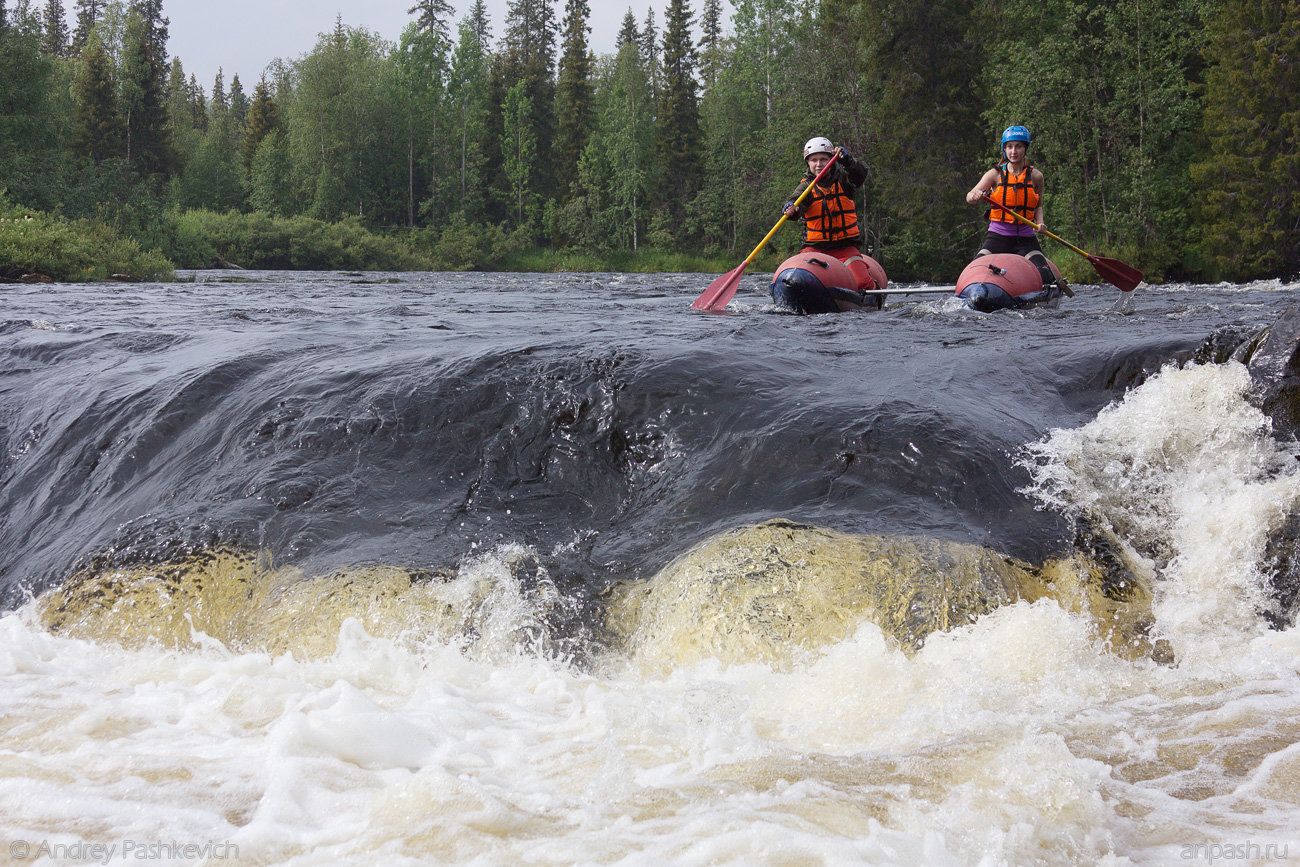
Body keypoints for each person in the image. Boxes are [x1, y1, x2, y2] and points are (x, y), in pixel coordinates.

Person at [965, 125, 1068, 295]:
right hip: (997, 238)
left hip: (1025, 240)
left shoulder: (1036, 176)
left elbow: (1038, 205)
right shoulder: (994, 174)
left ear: (1025, 148)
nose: (1014, 151)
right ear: (1004, 149)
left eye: (1018, 146)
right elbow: (969, 197)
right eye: (1010, 146)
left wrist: (1040, 222)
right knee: (974, 269)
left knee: (1045, 275)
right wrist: (974, 195)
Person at [782, 136, 883, 306]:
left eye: (823, 159)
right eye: (814, 160)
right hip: (815, 249)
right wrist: (791, 208)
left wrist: (848, 161)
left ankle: (874, 290)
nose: (819, 164)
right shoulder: (806, 187)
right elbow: (794, 203)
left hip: (845, 248)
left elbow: (859, 176)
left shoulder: (844, 179)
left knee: (862, 284)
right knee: (795, 278)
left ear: (831, 160)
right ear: (808, 163)